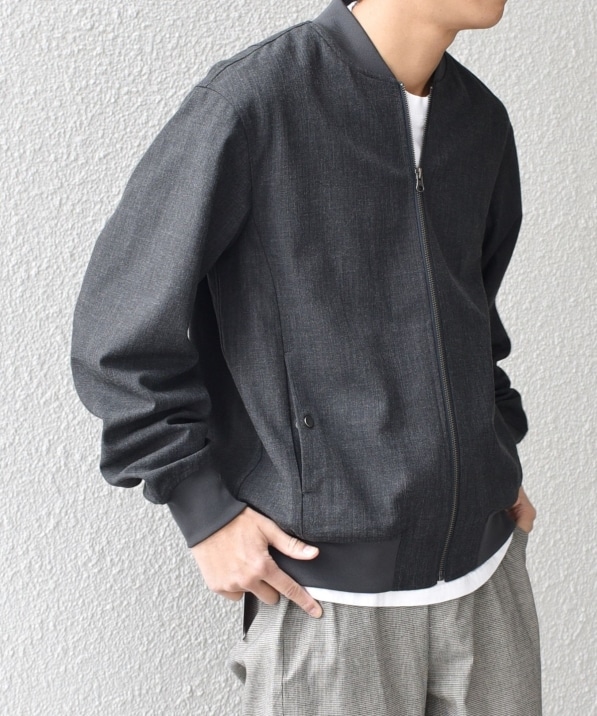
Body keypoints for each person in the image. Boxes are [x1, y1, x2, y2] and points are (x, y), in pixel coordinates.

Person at [70, 0, 542, 713]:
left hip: (488, 580)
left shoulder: (480, 123)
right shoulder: (255, 104)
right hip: (329, 601)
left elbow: (471, 316)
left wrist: (490, 448)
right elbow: (118, 330)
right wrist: (202, 509)